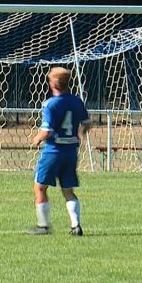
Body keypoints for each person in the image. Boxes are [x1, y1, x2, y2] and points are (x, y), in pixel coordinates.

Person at [28, 66, 92, 236]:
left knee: (39, 187)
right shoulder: (77, 101)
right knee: (68, 190)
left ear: (54, 84)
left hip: (53, 151)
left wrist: (37, 138)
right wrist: (80, 134)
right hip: (71, 152)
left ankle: (43, 226)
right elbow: (87, 123)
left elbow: (47, 131)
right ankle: (76, 226)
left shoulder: (50, 104)